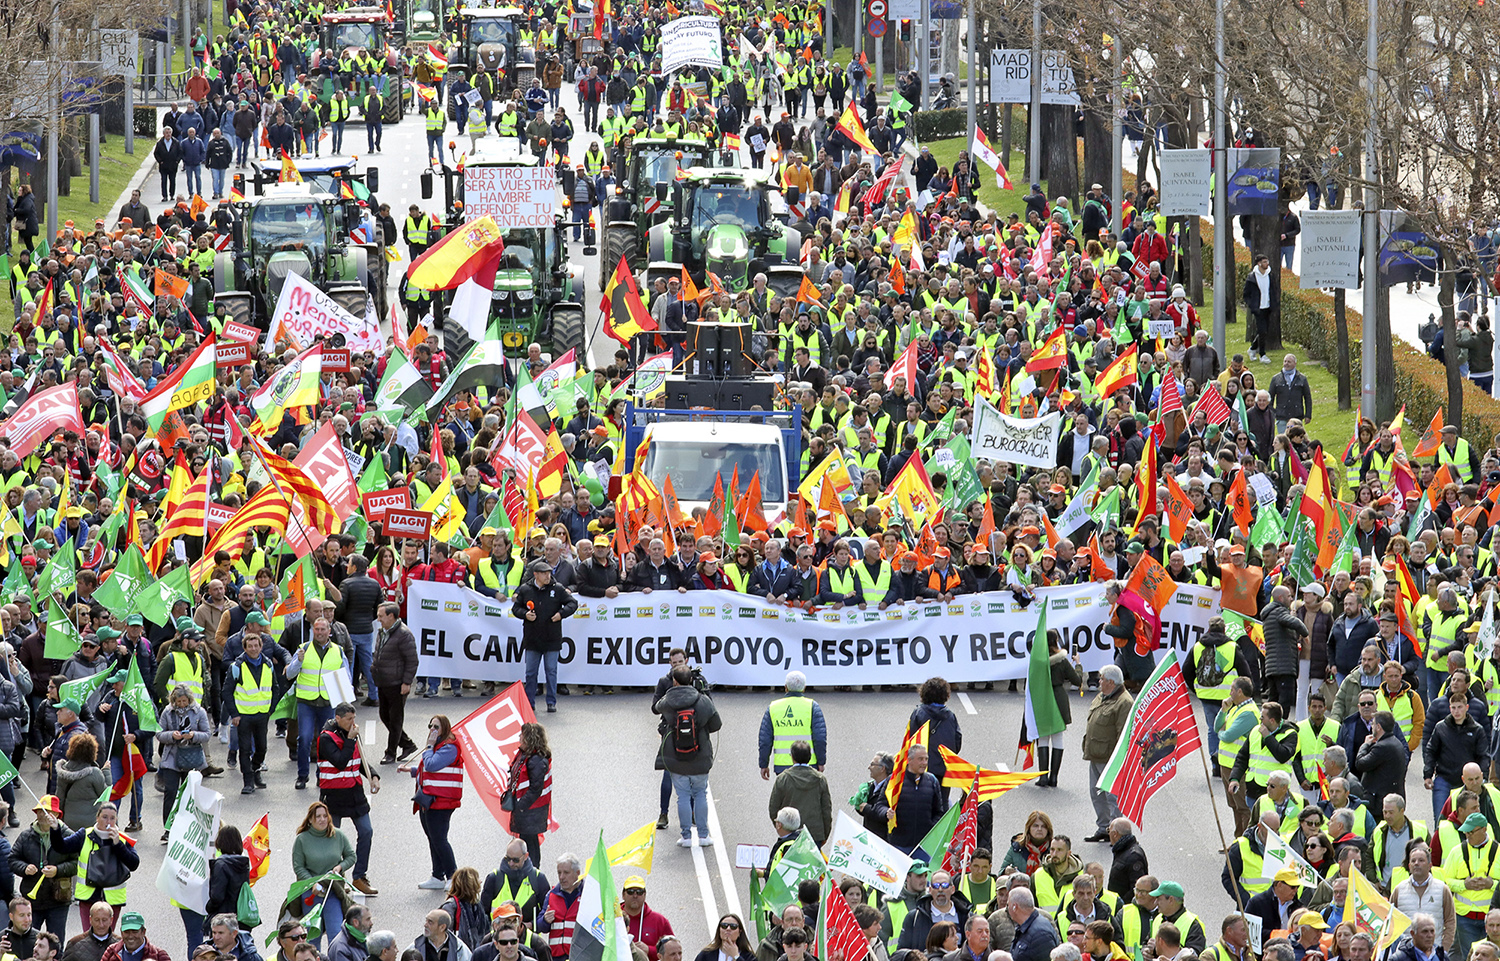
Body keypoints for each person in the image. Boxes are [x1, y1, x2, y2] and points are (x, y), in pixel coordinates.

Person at [316, 703, 380, 897]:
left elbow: (357, 760)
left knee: (366, 831)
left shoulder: (352, 733)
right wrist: (351, 740)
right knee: (332, 840)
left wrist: (373, 775)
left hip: (354, 794)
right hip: (333, 797)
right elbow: (340, 762)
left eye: (354, 718)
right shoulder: (326, 738)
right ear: (338, 719)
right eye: (349, 719)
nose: (354, 723)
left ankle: (359, 876)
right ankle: (337, 879)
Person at [655, 666, 722, 848]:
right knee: (700, 794)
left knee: (682, 796)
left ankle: (685, 836)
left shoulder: (668, 701)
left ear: (674, 681)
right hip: (699, 756)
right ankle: (703, 835)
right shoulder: (702, 701)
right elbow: (717, 724)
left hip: (676, 757)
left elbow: (656, 707)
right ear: (692, 680)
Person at [51, 804, 137, 933]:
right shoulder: (84, 835)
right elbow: (61, 847)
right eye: (104, 817)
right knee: (89, 937)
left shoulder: (122, 839)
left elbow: (133, 864)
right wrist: (55, 829)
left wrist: (117, 845)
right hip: (89, 896)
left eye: (112, 818)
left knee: (108, 938)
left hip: (112, 899)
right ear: (97, 818)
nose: (108, 822)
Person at [402, 713, 462, 890]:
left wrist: (428, 747)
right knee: (433, 838)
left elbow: (432, 765)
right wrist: (412, 770)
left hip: (442, 801)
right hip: (430, 800)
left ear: (445, 728)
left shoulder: (449, 747)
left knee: (439, 839)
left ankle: (452, 875)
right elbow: (428, 768)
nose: (432, 730)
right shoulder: (439, 745)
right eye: (430, 726)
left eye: (436, 727)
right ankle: (437, 875)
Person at [512, 561, 578, 713]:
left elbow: (572, 604)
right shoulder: (526, 589)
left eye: (549, 573)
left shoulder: (557, 588)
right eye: (544, 573)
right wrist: (525, 614)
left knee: (551, 670)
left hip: (551, 637)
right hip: (532, 637)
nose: (548, 576)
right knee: (530, 672)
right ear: (536, 574)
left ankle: (551, 702)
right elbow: (516, 608)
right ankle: (529, 702)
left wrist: (561, 614)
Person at [286, 617, 344, 790]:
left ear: (329, 631)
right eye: (316, 629)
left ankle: (322, 775)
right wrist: (299, 661)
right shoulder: (303, 649)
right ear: (312, 630)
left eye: (322, 629)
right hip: (307, 702)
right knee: (304, 738)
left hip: (328, 702)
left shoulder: (338, 651)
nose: (319, 632)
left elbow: (345, 676)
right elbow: (289, 673)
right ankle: (302, 776)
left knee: (325, 741)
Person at [286, 802, 354, 948]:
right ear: (310, 819)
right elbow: (299, 867)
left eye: (325, 816)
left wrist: (340, 867)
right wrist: (312, 883)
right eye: (318, 816)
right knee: (312, 937)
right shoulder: (302, 839)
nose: (322, 819)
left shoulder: (338, 835)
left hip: (332, 890)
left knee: (336, 934)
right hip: (311, 893)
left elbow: (351, 856)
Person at [10, 795, 75, 936]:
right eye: (39, 811)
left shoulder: (69, 836)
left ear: (57, 814)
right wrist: (24, 868)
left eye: (46, 811)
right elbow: (13, 859)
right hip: (33, 901)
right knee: (29, 942)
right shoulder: (26, 836)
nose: (41, 815)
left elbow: (78, 863)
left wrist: (58, 870)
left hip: (59, 900)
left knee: (55, 945)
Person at [1082, 666, 1133, 843]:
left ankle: (1117, 831)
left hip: (1110, 758)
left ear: (1111, 682)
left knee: (1113, 796)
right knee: (1096, 794)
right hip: (1096, 754)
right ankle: (1104, 827)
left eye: (1102, 678)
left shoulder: (1124, 702)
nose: (1099, 681)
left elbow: (1124, 733)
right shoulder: (1103, 696)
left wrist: (1120, 760)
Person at [871, 742, 946, 854]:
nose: (924, 763)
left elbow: (939, 812)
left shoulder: (932, 781)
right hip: (899, 845)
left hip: (924, 847)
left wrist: (930, 828)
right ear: (909, 760)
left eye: (926, 759)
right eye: (920, 759)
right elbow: (879, 806)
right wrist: (886, 812)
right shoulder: (894, 781)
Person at [372, 602, 420, 765]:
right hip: (384, 682)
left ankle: (390, 752)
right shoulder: (382, 632)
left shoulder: (404, 634)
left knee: (395, 718)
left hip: (397, 683)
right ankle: (407, 744)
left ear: (391, 616)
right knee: (385, 716)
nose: (378, 619)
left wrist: (407, 682)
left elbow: (412, 660)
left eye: (380, 616)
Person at [758, 671, 827, 778]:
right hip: (809, 764)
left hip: (783, 766)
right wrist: (821, 762)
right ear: (804, 688)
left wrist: (764, 764)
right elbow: (820, 738)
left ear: (786, 687)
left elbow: (765, 741)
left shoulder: (773, 707)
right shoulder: (812, 706)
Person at [502, 722, 552, 868]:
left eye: (522, 736)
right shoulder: (528, 756)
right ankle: (530, 871)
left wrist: (520, 806)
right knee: (528, 843)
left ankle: (533, 874)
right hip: (528, 811)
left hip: (531, 811)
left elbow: (536, 788)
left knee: (530, 846)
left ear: (529, 739)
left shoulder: (536, 760)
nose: (519, 738)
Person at [767, 740, 833, 846]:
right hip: (814, 835)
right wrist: (824, 835)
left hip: (789, 834)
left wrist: (782, 828)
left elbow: (773, 808)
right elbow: (826, 810)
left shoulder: (783, 779)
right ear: (810, 757)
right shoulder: (820, 779)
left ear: (792, 757)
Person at [479, 839, 550, 928]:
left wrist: (531, 925)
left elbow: (547, 915)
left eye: (515, 860)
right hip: (498, 940)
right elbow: (481, 914)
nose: (511, 863)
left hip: (528, 941)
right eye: (508, 859)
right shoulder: (494, 878)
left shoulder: (538, 879)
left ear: (525, 856)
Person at [897, 870, 972, 951]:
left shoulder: (967, 917)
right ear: (930, 890)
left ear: (952, 889)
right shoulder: (915, 917)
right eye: (935, 886)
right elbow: (902, 952)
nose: (940, 889)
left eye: (944, 885)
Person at [619, 876, 673, 961]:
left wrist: (649, 950)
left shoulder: (660, 921)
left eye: (639, 892)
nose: (635, 895)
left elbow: (673, 951)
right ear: (623, 895)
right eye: (630, 892)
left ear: (645, 895)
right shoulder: (612, 919)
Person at [544, 854, 584, 960]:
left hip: (579, 956)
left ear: (578, 873)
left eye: (566, 873)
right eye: (559, 873)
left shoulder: (587, 894)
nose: (561, 877)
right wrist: (545, 920)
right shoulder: (551, 895)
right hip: (556, 956)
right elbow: (540, 927)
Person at [1008, 890, 1061, 961]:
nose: (1007, 908)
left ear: (1015, 907)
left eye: (1008, 905)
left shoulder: (1040, 934)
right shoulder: (1025, 927)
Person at [98, 913, 168, 961]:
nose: (130, 936)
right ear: (121, 933)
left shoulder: (159, 955)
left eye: (134, 931)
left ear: (143, 932)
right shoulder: (111, 952)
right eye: (126, 932)